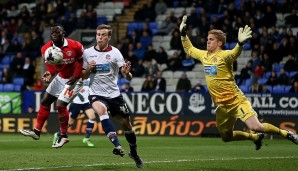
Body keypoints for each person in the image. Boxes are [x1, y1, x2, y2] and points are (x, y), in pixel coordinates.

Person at [179, 15, 298, 150]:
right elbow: (189, 49)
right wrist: (183, 34)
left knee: (255, 126)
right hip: (221, 107)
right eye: (207, 39)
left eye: (211, 40)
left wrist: (240, 44)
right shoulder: (204, 56)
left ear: (219, 43)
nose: (207, 42)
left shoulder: (224, 55)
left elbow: (235, 53)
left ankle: (287, 134)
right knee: (226, 137)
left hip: (236, 100)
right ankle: (254, 137)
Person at [82, 24, 144, 168]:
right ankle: (117, 145)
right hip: (96, 93)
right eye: (98, 34)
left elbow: (127, 77)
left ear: (109, 37)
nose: (100, 37)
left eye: (103, 35)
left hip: (114, 95)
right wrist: (88, 69)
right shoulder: (87, 53)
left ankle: (133, 152)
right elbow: (83, 76)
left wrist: (127, 72)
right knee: (102, 111)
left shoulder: (115, 53)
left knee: (127, 125)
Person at [19, 23, 84, 148]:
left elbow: (81, 61)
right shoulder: (45, 48)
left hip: (75, 79)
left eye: (57, 32)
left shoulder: (75, 45)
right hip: (60, 78)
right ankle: (37, 131)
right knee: (45, 101)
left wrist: (76, 76)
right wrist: (50, 73)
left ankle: (63, 136)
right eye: (52, 32)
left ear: (63, 33)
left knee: (60, 105)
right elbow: (52, 65)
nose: (54, 34)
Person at [52, 78, 96, 147]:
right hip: (76, 102)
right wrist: (77, 89)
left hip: (86, 102)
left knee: (92, 117)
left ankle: (86, 138)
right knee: (70, 123)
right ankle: (58, 134)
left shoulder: (89, 76)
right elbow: (68, 86)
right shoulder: (76, 75)